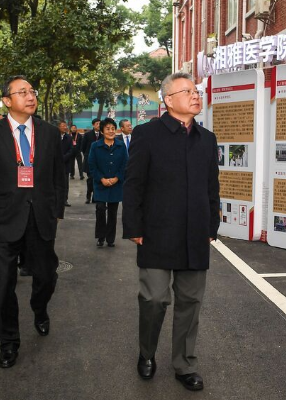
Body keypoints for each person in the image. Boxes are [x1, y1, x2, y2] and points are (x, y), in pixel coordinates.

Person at [122, 72, 220, 391]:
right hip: (156, 232)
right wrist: (133, 226)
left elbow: (211, 186)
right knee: (153, 299)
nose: (195, 95)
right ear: (168, 100)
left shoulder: (206, 138)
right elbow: (134, 183)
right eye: (187, 91)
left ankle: (184, 364)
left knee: (191, 302)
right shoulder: (146, 134)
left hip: (195, 234)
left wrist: (211, 224)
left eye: (196, 90)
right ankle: (146, 352)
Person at [0, 75, 66, 369]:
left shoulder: (49, 133)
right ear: (7, 100)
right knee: (2, 286)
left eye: (32, 91)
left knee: (46, 275)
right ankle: (8, 341)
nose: (30, 96)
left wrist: (56, 209)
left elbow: (59, 174)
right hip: (3, 219)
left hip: (40, 218)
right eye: (22, 92)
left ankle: (39, 309)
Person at [88, 118, 127, 248]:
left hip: (116, 184)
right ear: (102, 131)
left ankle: (110, 239)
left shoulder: (121, 146)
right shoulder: (95, 146)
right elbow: (91, 165)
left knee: (112, 212)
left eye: (112, 129)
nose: (111, 131)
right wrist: (101, 179)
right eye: (107, 129)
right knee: (100, 209)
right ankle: (100, 236)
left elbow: (125, 165)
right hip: (100, 184)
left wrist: (117, 178)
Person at [81, 118, 101, 203]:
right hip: (89, 160)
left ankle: (95, 197)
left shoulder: (103, 135)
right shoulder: (87, 135)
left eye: (100, 123)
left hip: (100, 161)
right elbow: (83, 147)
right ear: (93, 125)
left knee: (97, 179)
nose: (99, 125)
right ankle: (88, 196)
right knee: (90, 179)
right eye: (97, 123)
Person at [59, 121, 73, 207]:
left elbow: (71, 150)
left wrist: (64, 158)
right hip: (56, 164)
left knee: (65, 183)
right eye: (62, 126)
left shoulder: (69, 138)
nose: (65, 127)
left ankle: (65, 200)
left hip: (66, 163)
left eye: (65, 126)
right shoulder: (54, 137)